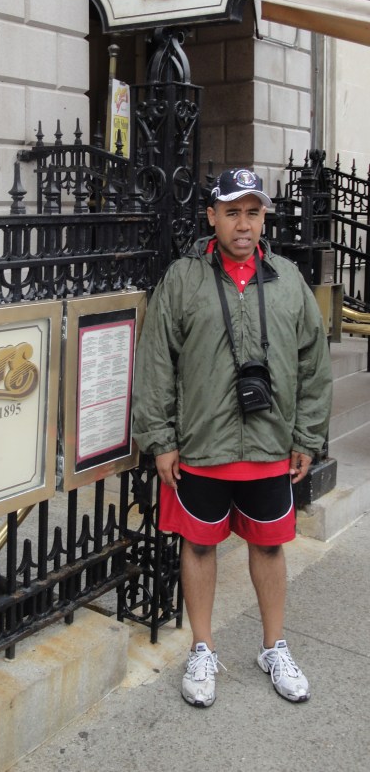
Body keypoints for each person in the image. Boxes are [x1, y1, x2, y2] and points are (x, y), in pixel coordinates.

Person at [132, 168, 333, 708]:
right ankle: (202, 647)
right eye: (232, 212)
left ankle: (274, 647)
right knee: (199, 545)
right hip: (201, 445)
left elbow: (313, 363)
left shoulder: (287, 279)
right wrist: (161, 439)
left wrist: (307, 436)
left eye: (252, 213)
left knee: (268, 545)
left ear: (263, 217)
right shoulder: (183, 279)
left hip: (270, 444)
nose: (243, 224)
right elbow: (156, 360)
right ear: (212, 216)